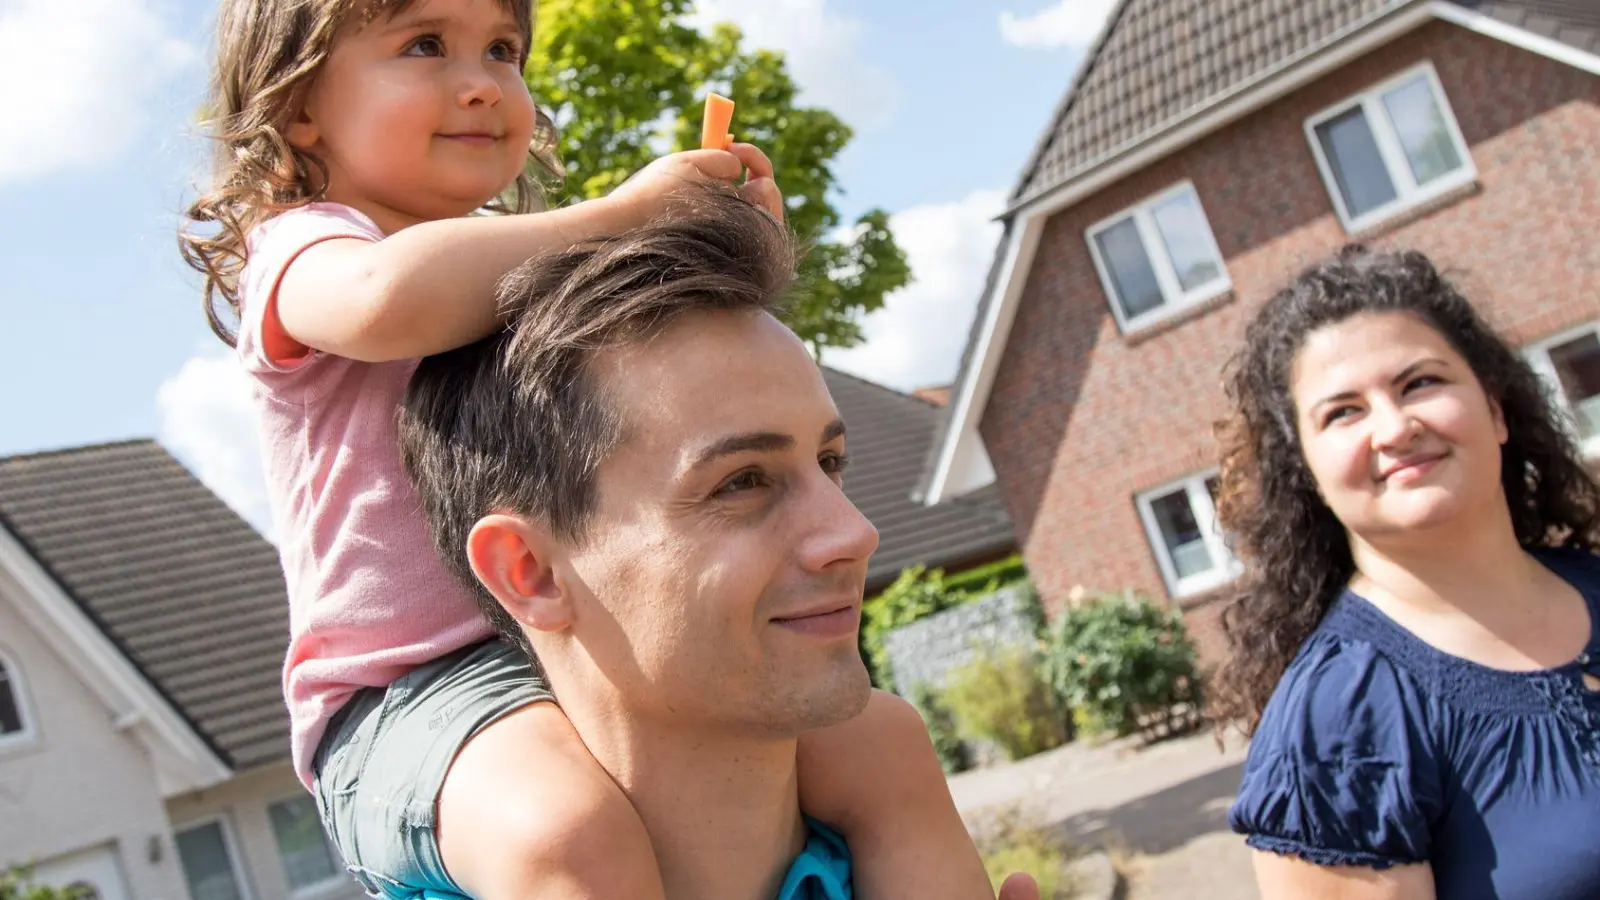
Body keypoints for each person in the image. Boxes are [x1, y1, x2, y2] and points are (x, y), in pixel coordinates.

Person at [178, 1, 1014, 897]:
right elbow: (388, 301)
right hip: (405, 690)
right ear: (299, 106)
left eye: (503, 50)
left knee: (884, 743)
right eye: (425, 45)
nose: (481, 83)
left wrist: (701, 237)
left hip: (567, 635)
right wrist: (623, 214)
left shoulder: (519, 257)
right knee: (569, 836)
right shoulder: (308, 244)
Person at [1212, 245, 1600, 899]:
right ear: (1307, 474)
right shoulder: (1335, 729)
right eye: (1344, 412)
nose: (1395, 427)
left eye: (1420, 382)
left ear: (1497, 411)